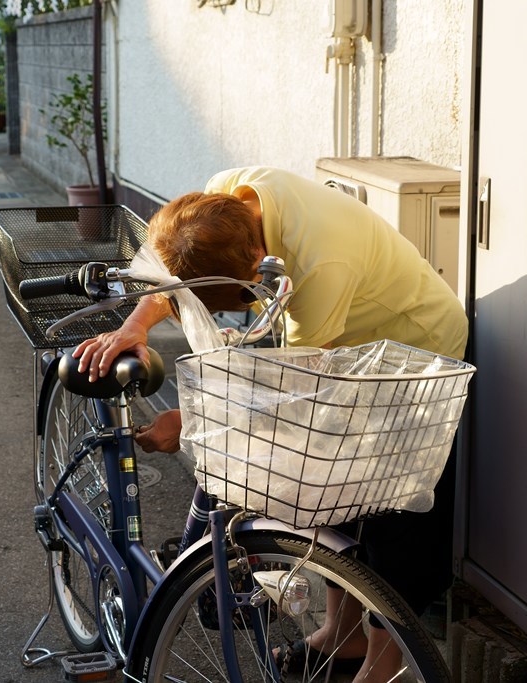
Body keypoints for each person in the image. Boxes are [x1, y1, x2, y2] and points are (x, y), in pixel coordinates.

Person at [73, 166, 468, 681]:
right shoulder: (224, 196)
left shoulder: (321, 261)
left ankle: (381, 663)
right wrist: (135, 325)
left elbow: (300, 387)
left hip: (410, 357)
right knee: (329, 489)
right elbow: (168, 270)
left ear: (256, 266)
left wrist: (192, 418)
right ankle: (339, 637)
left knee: (392, 516)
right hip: (347, 350)